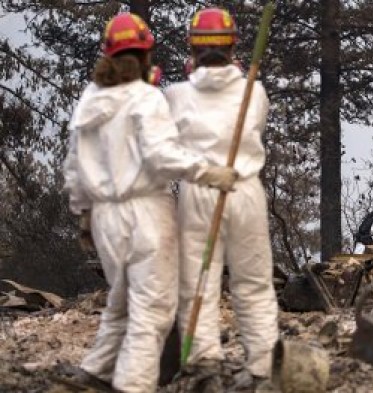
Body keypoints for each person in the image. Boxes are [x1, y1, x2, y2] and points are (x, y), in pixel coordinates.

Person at [62, 13, 237, 392]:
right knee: (152, 311)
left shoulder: (91, 99)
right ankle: (132, 385)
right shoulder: (146, 99)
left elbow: (74, 164)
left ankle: (94, 372)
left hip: (103, 215)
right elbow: (164, 157)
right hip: (145, 212)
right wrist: (209, 172)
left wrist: (84, 214)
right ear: (145, 54)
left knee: (122, 299)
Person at [164, 8, 279, 391]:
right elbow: (256, 126)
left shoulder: (176, 96)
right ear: (233, 46)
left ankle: (205, 364)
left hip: (200, 191)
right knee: (254, 283)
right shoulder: (254, 92)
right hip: (245, 188)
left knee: (199, 283)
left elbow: (169, 151)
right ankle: (263, 366)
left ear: (192, 47)